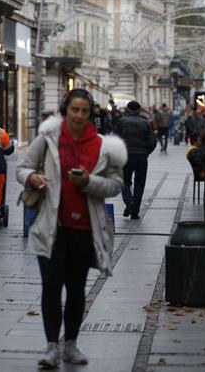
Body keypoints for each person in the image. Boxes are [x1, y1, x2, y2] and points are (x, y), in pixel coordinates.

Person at [16, 89, 127, 369]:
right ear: (66, 111)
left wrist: (88, 182)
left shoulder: (103, 145)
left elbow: (115, 184)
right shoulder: (48, 139)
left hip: (84, 229)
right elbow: (23, 168)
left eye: (84, 111)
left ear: (91, 114)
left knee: (77, 290)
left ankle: (71, 344)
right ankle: (52, 346)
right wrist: (33, 177)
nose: (79, 116)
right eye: (74, 110)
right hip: (51, 227)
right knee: (51, 288)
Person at [115, 100, 157, 220]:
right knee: (140, 184)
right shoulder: (145, 123)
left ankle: (129, 202)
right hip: (141, 157)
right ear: (139, 110)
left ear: (127, 110)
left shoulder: (122, 122)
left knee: (124, 181)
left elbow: (116, 139)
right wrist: (146, 152)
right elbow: (153, 142)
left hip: (126, 156)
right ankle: (135, 212)